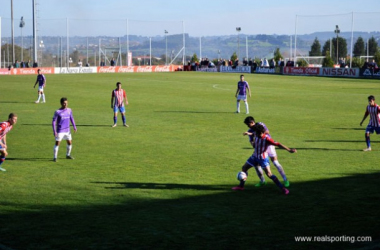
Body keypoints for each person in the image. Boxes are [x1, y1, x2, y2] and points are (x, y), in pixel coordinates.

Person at [232, 123, 296, 194]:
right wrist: (248, 133)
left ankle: (283, 188)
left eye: (259, 134)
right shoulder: (256, 134)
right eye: (256, 133)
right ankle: (241, 186)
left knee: (269, 174)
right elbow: (253, 134)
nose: (257, 135)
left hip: (263, 159)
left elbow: (278, 144)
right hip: (254, 156)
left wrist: (289, 150)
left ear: (262, 132)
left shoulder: (267, 139)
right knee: (244, 168)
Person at [243, 116, 290, 187]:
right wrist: (254, 144)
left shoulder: (260, 125)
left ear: (252, 122)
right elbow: (252, 143)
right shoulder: (249, 131)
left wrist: (255, 133)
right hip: (260, 148)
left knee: (275, 163)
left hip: (269, 145)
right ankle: (262, 181)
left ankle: (285, 180)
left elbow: (267, 131)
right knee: (256, 165)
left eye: (248, 124)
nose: (248, 126)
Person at [52, 97, 77, 162]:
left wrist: (74, 126)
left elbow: (71, 118)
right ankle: (55, 157)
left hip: (67, 130)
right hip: (60, 131)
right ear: (61, 103)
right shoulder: (57, 112)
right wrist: (54, 131)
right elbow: (54, 121)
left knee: (70, 143)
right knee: (57, 144)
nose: (65, 104)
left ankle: (68, 155)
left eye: (66, 103)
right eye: (64, 103)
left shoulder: (69, 110)